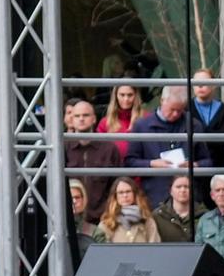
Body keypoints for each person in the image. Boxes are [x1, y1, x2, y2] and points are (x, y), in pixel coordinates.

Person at [133, 86, 192, 207]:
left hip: (187, 199)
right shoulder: (142, 126)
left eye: (180, 110)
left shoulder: (192, 125)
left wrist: (192, 164)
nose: (175, 114)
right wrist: (152, 164)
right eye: (172, 109)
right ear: (162, 101)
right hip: (154, 196)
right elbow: (130, 162)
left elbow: (207, 161)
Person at [62, 95, 116, 223]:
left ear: (94, 119)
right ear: (72, 120)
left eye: (85, 115)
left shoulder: (109, 148)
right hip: (68, 218)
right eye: (77, 116)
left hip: (102, 219)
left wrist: (109, 211)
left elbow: (116, 185)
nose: (81, 119)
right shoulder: (62, 148)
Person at [187, 72, 224, 173]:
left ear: (213, 85)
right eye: (196, 83)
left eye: (204, 82)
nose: (200, 86)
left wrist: (200, 135)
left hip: (219, 165)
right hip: (192, 166)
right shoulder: (186, 108)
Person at [95, 175, 161, 246]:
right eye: (121, 192)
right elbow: (102, 251)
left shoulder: (147, 221)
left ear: (134, 194)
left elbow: (155, 248)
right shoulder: (107, 223)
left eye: (128, 191)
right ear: (115, 196)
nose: (125, 195)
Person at [97, 83, 143, 164]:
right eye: (122, 95)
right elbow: (99, 152)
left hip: (140, 171)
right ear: (116, 96)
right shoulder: (105, 122)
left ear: (136, 96)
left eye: (130, 95)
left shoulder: (146, 118)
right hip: (113, 171)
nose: (126, 99)